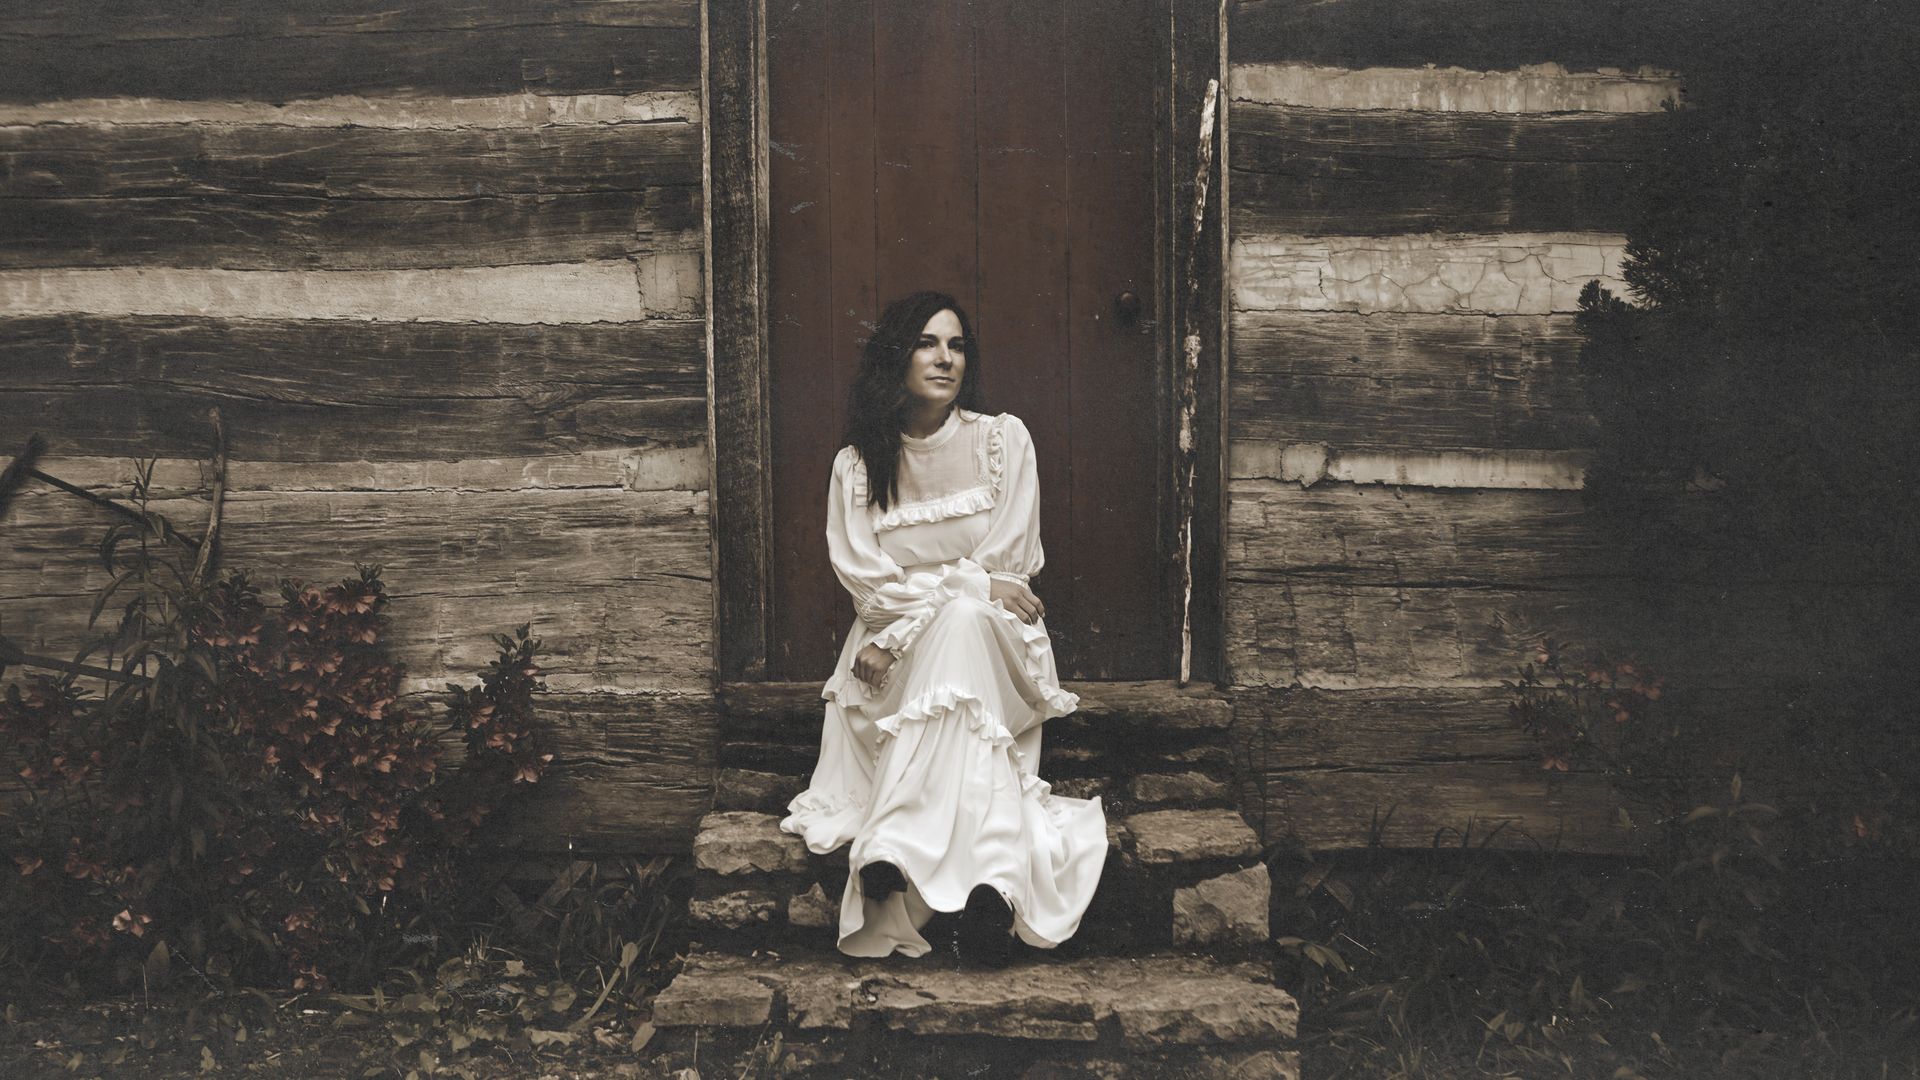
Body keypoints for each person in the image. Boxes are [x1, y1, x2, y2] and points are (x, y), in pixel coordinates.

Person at [778, 290, 1108, 966]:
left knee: (965, 616)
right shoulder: (856, 467)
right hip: (888, 660)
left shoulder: (1002, 441)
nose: (945, 358)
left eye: (956, 345)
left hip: (991, 648)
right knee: (959, 611)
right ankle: (971, 888)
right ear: (894, 356)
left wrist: (953, 598)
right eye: (928, 343)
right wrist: (950, 597)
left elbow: (1008, 574)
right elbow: (872, 589)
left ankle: (892, 860)